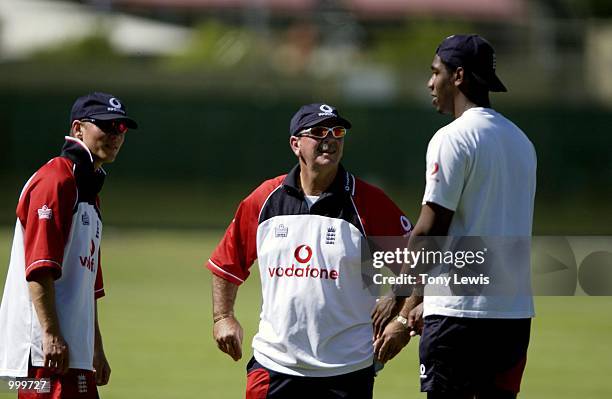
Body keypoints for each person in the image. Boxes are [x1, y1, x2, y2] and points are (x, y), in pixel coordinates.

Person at [206, 103, 411, 398]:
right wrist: (222, 316)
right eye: (318, 132)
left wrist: (402, 317)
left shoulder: (369, 203)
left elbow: (423, 260)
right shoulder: (264, 199)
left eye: (337, 132)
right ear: (295, 144)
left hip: (347, 370)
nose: (329, 139)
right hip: (273, 365)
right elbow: (227, 263)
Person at [373, 34, 537, 399]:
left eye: (435, 73)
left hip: (460, 318)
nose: (431, 83)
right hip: (513, 317)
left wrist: (399, 295)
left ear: (458, 76)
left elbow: (432, 229)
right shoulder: (521, 142)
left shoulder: (452, 138)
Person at [0, 92, 138, 398]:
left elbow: (86, 285)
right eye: (106, 125)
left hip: (72, 353)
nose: (116, 134)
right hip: (44, 354)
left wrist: (95, 347)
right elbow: (39, 268)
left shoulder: (88, 188)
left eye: (121, 128)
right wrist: (50, 334)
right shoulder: (56, 180)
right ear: (78, 129)